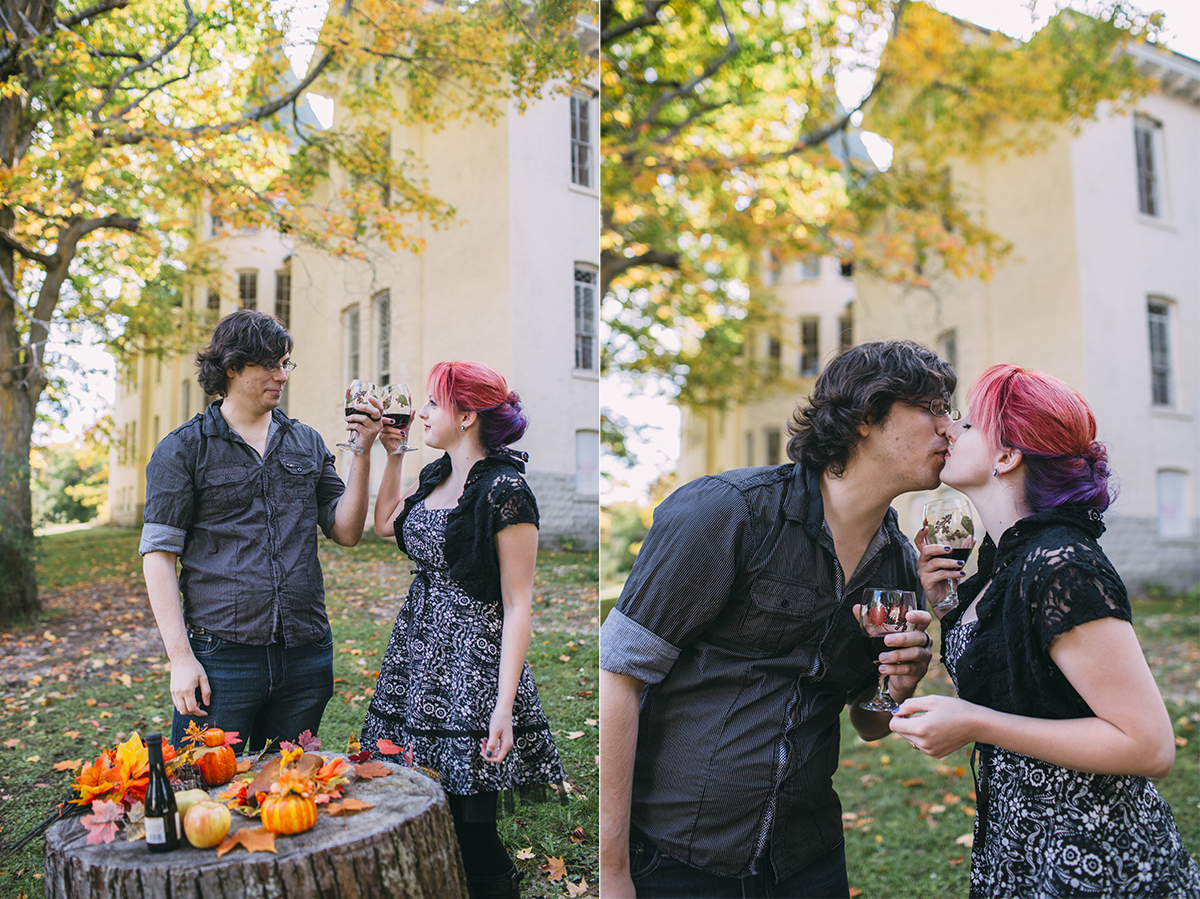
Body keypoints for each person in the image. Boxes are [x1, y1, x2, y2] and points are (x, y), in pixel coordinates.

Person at [600, 339, 956, 898]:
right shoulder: (727, 512)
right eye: (933, 409)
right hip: (676, 857)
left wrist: (897, 685)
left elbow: (868, 724)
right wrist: (612, 870)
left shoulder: (899, 566)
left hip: (807, 859)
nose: (949, 430)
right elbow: (618, 676)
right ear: (866, 416)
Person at [891, 363, 1200, 898]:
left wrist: (977, 723)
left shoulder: (1062, 564)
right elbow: (1022, 674)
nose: (948, 429)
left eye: (967, 425)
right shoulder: (1002, 562)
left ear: (1007, 456)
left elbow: (1150, 747)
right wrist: (946, 607)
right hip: (1020, 844)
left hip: (1093, 858)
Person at [362, 360, 566, 899]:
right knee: (427, 809)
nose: (424, 413)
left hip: (472, 671)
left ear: (468, 415)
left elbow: (519, 604)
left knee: (471, 824)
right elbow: (385, 523)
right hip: (419, 661)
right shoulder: (437, 475)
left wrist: (503, 707)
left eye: (433, 403)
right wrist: (395, 452)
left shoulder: (506, 491)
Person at [140, 309, 382, 751]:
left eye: (285, 363)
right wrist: (180, 658)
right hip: (222, 658)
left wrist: (362, 453)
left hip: (306, 654)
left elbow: (346, 531)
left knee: (289, 794)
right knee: (202, 794)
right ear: (231, 368)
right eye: (269, 364)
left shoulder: (306, 441)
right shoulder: (182, 449)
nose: (281, 375)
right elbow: (158, 556)